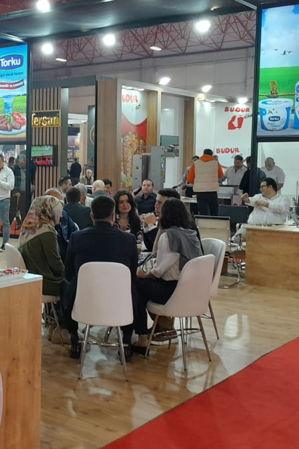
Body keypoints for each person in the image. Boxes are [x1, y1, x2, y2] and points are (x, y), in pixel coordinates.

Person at [64, 195, 138, 360]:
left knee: (69, 286)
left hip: (85, 299)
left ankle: (75, 340)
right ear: (113, 216)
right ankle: (126, 342)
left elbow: (68, 273)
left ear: (91, 215)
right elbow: (132, 273)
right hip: (120, 301)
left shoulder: (77, 237)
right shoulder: (129, 239)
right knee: (133, 287)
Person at [128, 198, 203, 355]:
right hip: (192, 289)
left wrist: (144, 274)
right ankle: (155, 328)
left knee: (135, 284)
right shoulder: (191, 234)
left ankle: (141, 336)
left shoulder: (169, 236)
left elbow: (159, 271)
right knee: (141, 287)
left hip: (172, 291)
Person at [17, 196, 69, 343]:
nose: (61, 215)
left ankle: (53, 323)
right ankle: (63, 330)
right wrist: (70, 274)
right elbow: (55, 263)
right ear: (49, 211)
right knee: (71, 285)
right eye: (59, 211)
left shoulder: (29, 227)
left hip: (31, 277)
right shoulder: (46, 232)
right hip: (43, 281)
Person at [187, 148, 223, 216]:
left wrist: (197, 182)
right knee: (214, 210)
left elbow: (189, 179)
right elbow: (220, 175)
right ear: (211, 155)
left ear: (203, 154)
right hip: (212, 190)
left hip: (200, 191)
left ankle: (202, 222)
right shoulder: (216, 163)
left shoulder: (196, 164)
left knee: (202, 211)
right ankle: (214, 222)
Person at [46, 188, 78, 261]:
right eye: (56, 203)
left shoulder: (64, 215)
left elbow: (75, 233)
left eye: (61, 203)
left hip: (66, 255)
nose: (60, 206)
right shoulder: (41, 220)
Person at [10, 155, 29, 228]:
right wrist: (14, 191)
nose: (25, 162)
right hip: (17, 193)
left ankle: (24, 226)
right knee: (13, 211)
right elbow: (13, 181)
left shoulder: (24, 169)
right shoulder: (14, 169)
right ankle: (5, 227)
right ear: (20, 161)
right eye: (24, 161)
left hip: (23, 192)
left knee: (23, 210)